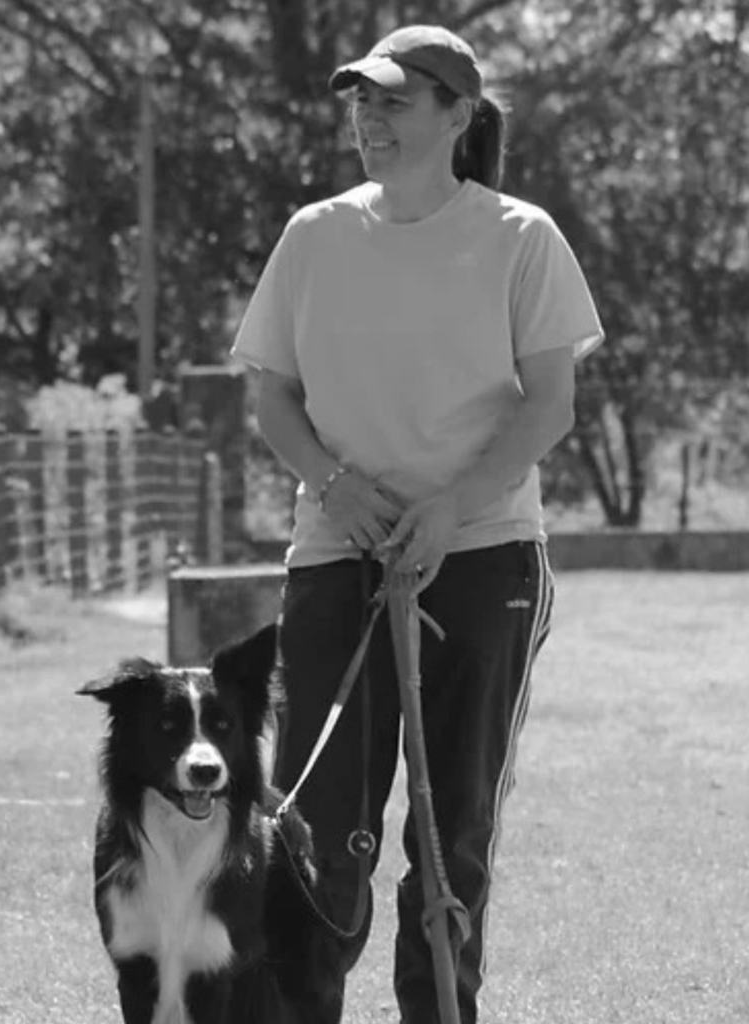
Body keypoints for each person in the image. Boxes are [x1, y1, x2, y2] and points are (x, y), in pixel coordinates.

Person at [230, 23, 604, 1024]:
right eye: (361, 99)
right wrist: (337, 487)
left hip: (483, 565)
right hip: (335, 559)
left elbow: (548, 404)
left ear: (457, 116)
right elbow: (271, 401)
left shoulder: (520, 238)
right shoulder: (313, 235)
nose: (369, 118)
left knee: (454, 831)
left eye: (394, 100)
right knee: (319, 826)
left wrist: (450, 506)